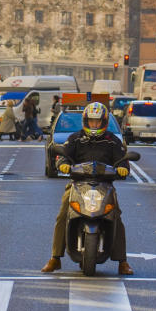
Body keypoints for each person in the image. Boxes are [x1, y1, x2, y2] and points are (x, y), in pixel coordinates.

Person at [41, 102, 134, 275]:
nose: (94, 125)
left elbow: (123, 161)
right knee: (63, 214)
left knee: (116, 216)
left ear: (104, 122)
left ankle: (122, 261)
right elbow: (63, 156)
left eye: (98, 122)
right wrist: (63, 164)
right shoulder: (75, 138)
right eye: (91, 121)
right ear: (86, 121)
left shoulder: (113, 141)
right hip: (78, 184)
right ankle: (55, 258)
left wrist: (123, 168)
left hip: (105, 185)